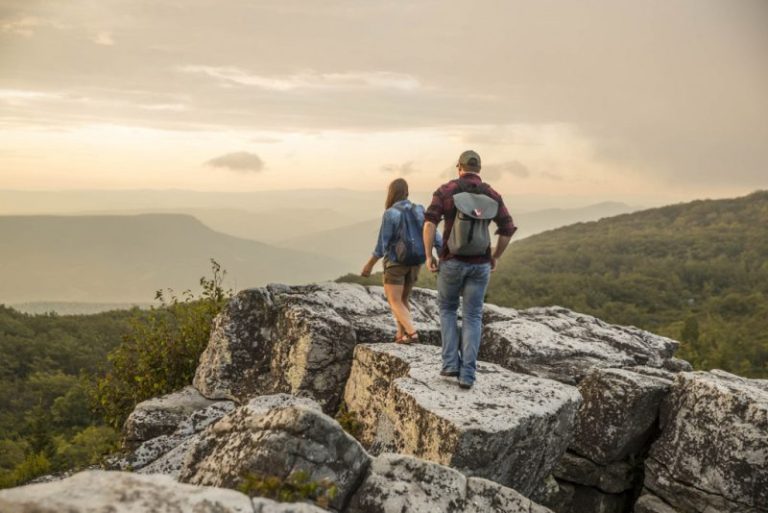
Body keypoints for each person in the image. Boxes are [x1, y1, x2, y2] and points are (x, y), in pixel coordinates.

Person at [422, 150, 517, 389]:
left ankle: (450, 364)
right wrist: (495, 256)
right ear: (479, 169)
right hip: (480, 265)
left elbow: (430, 222)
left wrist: (428, 255)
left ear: (459, 167)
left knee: (447, 309)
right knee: (473, 316)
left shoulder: (446, 190)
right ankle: (467, 375)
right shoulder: (491, 194)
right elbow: (507, 228)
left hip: (451, 261)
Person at [362, 178, 441, 344]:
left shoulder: (391, 213)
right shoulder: (419, 209)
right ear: (407, 192)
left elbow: (382, 244)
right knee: (403, 300)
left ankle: (411, 333)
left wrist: (369, 265)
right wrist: (438, 254)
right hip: (415, 262)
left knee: (394, 300)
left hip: (396, 263)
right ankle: (401, 335)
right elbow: (434, 234)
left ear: (391, 193)